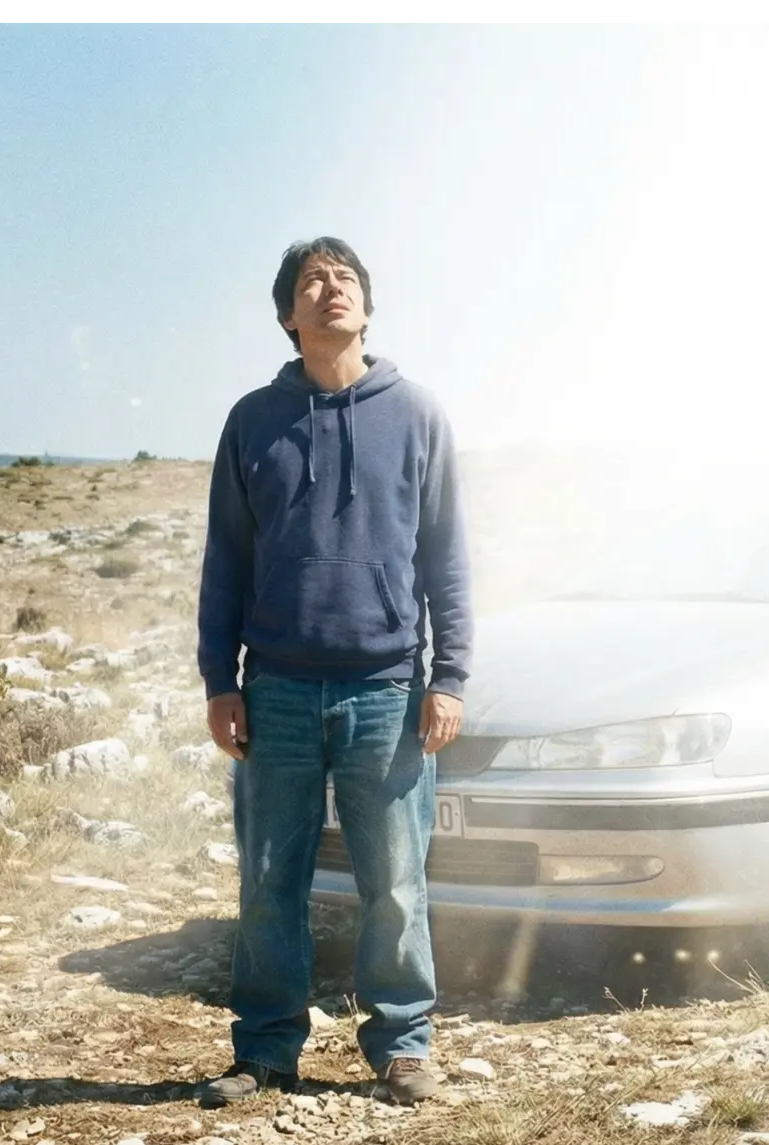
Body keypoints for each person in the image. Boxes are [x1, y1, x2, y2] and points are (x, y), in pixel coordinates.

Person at [195, 236, 472, 1106]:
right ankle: (267, 1049)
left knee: (395, 878)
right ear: (288, 314)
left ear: (366, 305)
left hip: (385, 688)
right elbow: (226, 562)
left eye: (344, 278)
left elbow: (447, 557)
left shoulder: (418, 416)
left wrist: (450, 674)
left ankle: (402, 1045)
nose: (331, 290)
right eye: (312, 281)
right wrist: (220, 679)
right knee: (268, 879)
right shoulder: (252, 421)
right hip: (275, 687)